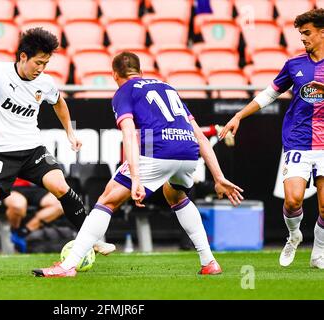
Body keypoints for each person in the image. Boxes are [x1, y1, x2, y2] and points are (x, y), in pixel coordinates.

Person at [32, 51, 244, 278]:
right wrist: (218, 177)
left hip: (158, 150)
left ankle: (68, 266)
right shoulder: (168, 88)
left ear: (114, 75)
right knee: (176, 195)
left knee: (107, 199)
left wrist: (135, 179)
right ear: (141, 72)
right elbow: (200, 136)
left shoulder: (124, 91)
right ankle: (209, 262)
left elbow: (129, 134)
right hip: (189, 152)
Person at [0, 28, 115, 274]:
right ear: (22, 57)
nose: (42, 68)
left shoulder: (46, 82)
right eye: (38, 62)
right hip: (0, 152)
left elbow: (59, 103)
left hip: (32, 149)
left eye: (46, 63)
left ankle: (91, 241)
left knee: (62, 187)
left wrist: (70, 133)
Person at [218, 9, 324, 269]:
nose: (303, 38)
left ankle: (319, 252)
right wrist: (239, 116)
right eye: (301, 34)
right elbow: (269, 94)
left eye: (307, 33)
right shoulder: (295, 65)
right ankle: (294, 235)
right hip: (298, 140)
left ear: (323, 32)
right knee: (293, 200)